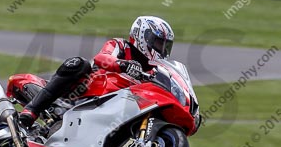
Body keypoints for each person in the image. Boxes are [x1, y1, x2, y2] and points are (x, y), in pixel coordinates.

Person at [19, 15, 175, 127]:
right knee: (79, 64)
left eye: (164, 46)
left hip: (116, 111)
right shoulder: (120, 46)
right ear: (143, 36)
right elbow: (102, 57)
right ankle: (32, 110)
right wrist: (122, 64)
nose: (161, 49)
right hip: (85, 93)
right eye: (158, 43)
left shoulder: (155, 70)